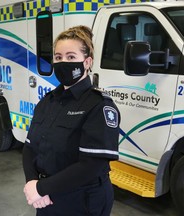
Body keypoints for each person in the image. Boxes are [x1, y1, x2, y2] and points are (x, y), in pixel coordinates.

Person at [22, 25, 120, 216]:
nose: (63, 62)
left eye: (71, 57)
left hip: (82, 200)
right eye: (58, 57)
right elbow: (30, 147)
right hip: (46, 198)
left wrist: (41, 188)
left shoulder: (99, 105)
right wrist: (33, 184)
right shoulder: (47, 102)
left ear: (87, 61)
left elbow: (92, 165)